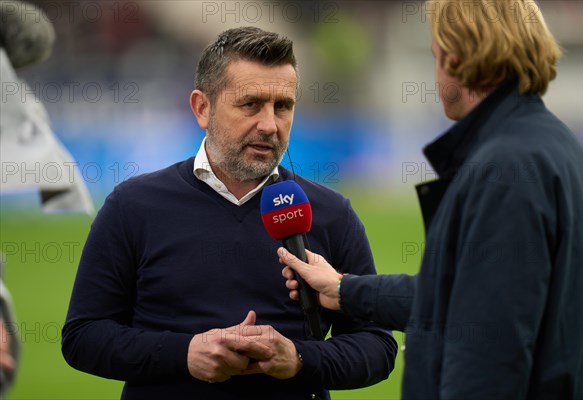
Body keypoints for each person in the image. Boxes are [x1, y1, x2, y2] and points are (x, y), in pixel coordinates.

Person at [280, 1, 583, 399]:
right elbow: (469, 294)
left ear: (456, 56)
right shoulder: (556, 148)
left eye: (435, 56)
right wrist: (345, 291)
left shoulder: (504, 171)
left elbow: (488, 353)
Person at [61, 26, 397, 400]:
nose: (270, 125)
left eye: (282, 106)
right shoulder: (132, 206)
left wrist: (300, 357)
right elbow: (83, 337)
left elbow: (377, 347)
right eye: (250, 104)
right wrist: (185, 354)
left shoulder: (331, 212)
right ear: (202, 108)